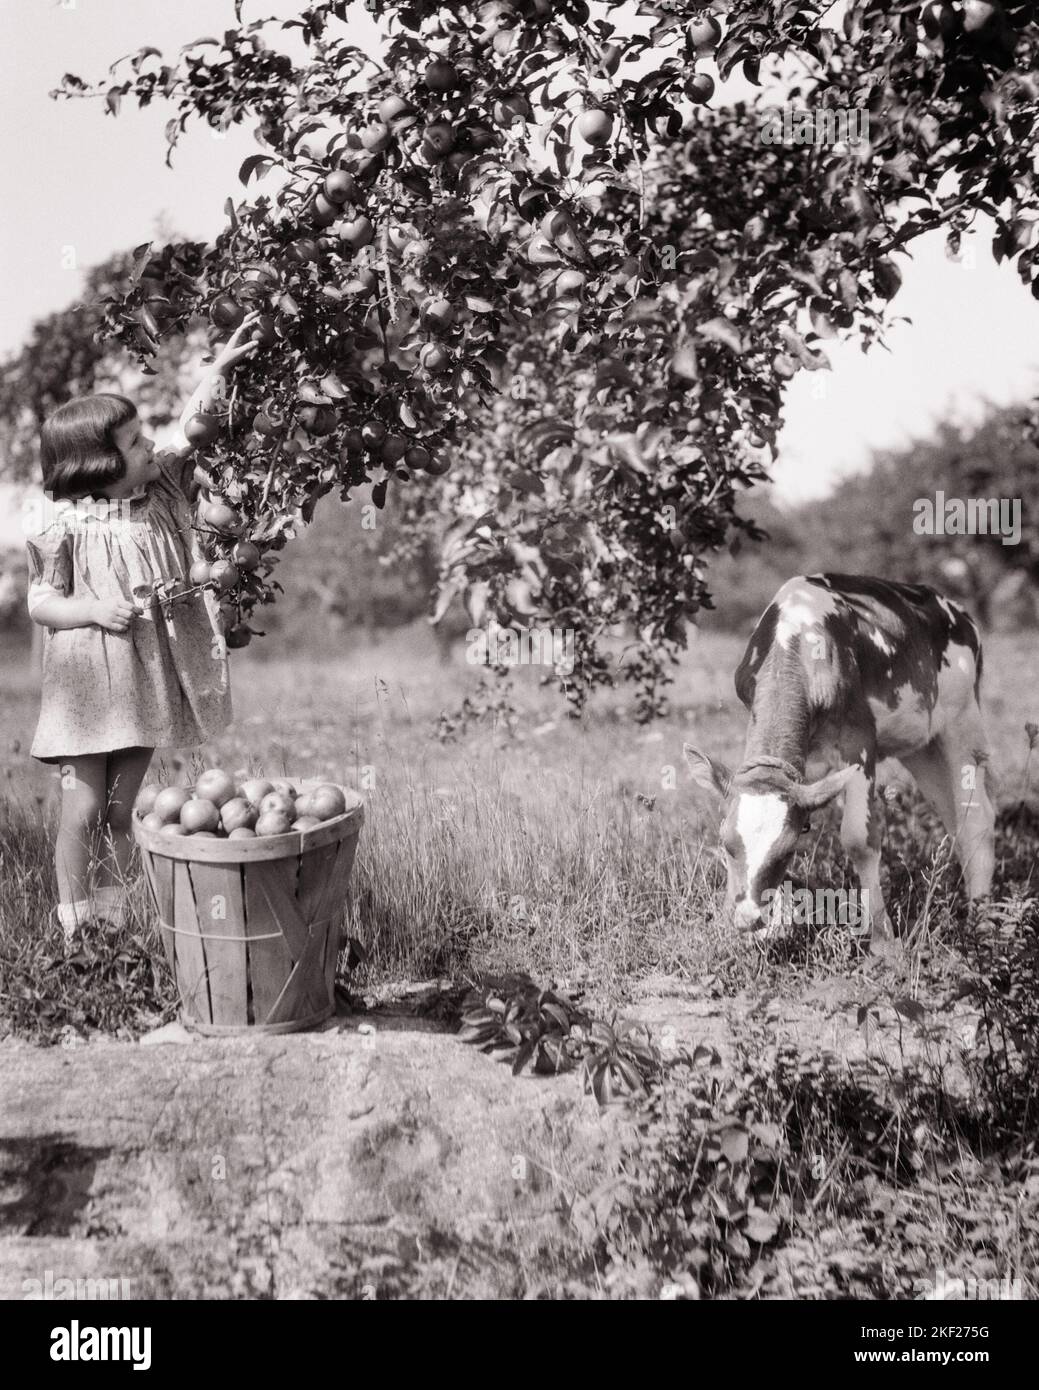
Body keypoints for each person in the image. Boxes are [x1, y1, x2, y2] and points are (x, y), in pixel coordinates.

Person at [25, 314, 260, 942]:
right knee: (81, 808)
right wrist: (92, 611)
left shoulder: (155, 497)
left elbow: (188, 431)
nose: (147, 447)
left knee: (121, 811)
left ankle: (118, 922)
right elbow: (41, 602)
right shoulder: (66, 529)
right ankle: (74, 931)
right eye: (131, 445)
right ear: (97, 466)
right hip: (84, 688)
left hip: (142, 679)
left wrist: (216, 371)